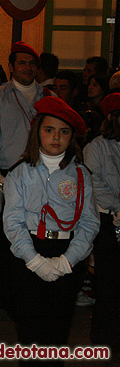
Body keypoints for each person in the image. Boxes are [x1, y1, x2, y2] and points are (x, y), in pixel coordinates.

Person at [3, 96, 99, 362]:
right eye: (49, 130)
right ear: (37, 132)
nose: (56, 137)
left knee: (58, 328)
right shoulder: (19, 173)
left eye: (64, 132)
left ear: (72, 137)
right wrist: (34, 261)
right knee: (30, 328)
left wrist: (68, 261)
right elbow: (13, 222)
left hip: (67, 252)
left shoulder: (81, 175)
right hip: (30, 251)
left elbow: (89, 222)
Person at [0, 41, 47, 318]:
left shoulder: (46, 97)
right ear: (10, 66)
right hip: (7, 176)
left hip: (42, 176)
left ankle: (34, 290)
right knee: (9, 240)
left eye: (32, 63)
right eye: (21, 63)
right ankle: (8, 297)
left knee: (38, 235)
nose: (27, 68)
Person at [84, 93, 120, 354]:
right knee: (109, 279)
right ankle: (105, 335)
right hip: (108, 218)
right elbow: (95, 184)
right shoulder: (96, 147)